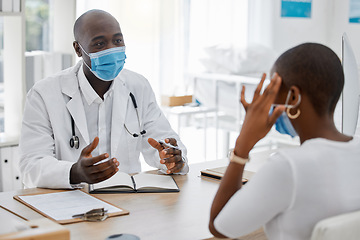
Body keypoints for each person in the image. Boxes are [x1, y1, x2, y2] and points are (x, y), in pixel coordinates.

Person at [19, 9, 188, 189]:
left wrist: (171, 158)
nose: (111, 49)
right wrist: (75, 173)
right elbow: (30, 165)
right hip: (69, 201)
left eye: (117, 41)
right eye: (99, 44)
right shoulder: (44, 94)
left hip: (128, 200)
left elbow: (163, 141)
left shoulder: (138, 86)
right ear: (78, 49)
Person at [209, 43, 360, 240]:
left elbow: (220, 227)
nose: (269, 99)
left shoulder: (288, 167)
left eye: (273, 88)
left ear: (294, 96)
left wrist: (243, 144)